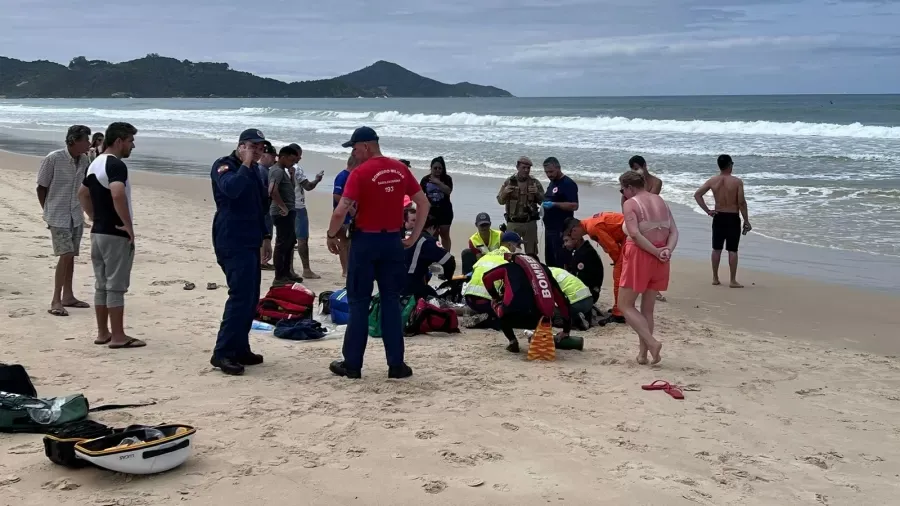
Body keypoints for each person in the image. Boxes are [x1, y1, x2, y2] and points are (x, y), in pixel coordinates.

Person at [326, 126, 430, 380]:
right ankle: (396, 364)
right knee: (391, 301)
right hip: (392, 241)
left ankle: (352, 363)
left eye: (354, 147)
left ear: (367, 146)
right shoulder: (400, 169)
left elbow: (341, 210)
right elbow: (423, 202)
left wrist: (331, 235)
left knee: (359, 302)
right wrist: (414, 237)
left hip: (365, 241)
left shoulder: (360, 173)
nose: (353, 152)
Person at [208, 128, 270, 375]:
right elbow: (231, 190)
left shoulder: (255, 170)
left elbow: (261, 205)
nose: (257, 151)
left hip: (251, 237)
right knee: (239, 296)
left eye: (261, 148)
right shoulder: (225, 165)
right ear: (241, 146)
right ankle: (222, 352)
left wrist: (266, 237)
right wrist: (245, 164)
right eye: (253, 147)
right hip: (231, 238)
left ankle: (240, 347)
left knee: (251, 297)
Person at [77, 122, 144, 349]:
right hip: (115, 233)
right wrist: (128, 226)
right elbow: (117, 194)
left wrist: (94, 216)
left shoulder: (95, 163)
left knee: (101, 284)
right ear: (119, 141)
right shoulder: (116, 165)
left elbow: (82, 193)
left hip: (98, 232)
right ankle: (118, 336)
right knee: (115, 286)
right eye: (130, 141)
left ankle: (102, 332)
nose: (132, 146)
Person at [619, 171, 679, 365]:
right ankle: (643, 354)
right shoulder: (661, 200)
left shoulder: (631, 203)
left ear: (629, 188)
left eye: (623, 190)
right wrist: (667, 250)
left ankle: (652, 343)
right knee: (648, 310)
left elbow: (635, 234)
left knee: (625, 305)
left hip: (641, 256)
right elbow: (674, 231)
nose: (623, 194)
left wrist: (654, 251)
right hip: (662, 257)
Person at [37, 125, 93, 317]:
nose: (89, 143)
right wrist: (47, 211)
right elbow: (41, 187)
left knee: (71, 256)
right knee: (66, 254)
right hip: (57, 214)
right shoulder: (53, 158)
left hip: (76, 215)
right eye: (86, 139)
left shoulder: (85, 159)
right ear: (73, 141)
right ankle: (56, 300)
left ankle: (68, 296)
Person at [481, 253, 572, 353]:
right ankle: (541, 335)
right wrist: (566, 330)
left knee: (498, 305)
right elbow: (561, 300)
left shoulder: (509, 267)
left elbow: (486, 278)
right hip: (539, 320)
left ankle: (512, 341)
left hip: (511, 317)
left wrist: (495, 297)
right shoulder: (544, 272)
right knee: (548, 310)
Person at [693, 154, 752, 288]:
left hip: (718, 216)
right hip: (732, 218)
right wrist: (746, 220)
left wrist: (708, 211)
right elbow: (741, 202)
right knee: (732, 250)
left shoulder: (713, 180)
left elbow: (697, 195)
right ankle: (732, 280)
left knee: (716, 249)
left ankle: (715, 277)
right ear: (730, 165)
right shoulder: (737, 182)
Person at [564, 213, 626, 323]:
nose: (572, 238)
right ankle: (621, 307)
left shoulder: (593, 228)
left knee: (618, 276)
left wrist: (617, 263)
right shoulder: (589, 223)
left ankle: (619, 313)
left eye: (571, 234)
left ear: (575, 229)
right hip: (626, 231)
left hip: (628, 234)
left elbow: (612, 248)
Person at [287, 143, 324, 279]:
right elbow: (307, 186)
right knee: (302, 239)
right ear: (294, 154)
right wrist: (317, 180)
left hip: (285, 207)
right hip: (298, 207)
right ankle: (306, 269)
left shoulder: (279, 168)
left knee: (288, 240)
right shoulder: (297, 169)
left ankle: (289, 269)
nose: (300, 158)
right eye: (299, 155)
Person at [463, 232, 520, 315]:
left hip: (469, 299)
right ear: (510, 245)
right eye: (518, 245)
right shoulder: (510, 259)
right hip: (486, 301)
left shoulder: (488, 255)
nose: (519, 248)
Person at [496, 156, 544, 256]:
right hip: (513, 222)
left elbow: (543, 202)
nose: (526, 170)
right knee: (510, 252)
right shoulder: (509, 181)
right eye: (524, 167)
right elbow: (500, 201)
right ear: (517, 167)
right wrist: (505, 192)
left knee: (532, 253)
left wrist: (537, 193)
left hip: (529, 223)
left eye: (528, 168)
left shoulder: (534, 182)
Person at [268, 145, 301, 285]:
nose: (293, 163)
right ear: (283, 157)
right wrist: (283, 207)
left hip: (288, 211)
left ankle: (286, 273)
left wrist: (292, 175)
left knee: (289, 242)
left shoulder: (283, 171)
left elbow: (288, 189)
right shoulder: (277, 171)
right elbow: (272, 190)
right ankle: (279, 276)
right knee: (282, 244)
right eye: (292, 160)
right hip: (281, 212)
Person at [403, 215, 456, 299]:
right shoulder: (427, 240)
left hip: (391, 284)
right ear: (432, 227)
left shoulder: (404, 235)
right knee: (437, 299)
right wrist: (448, 278)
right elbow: (449, 260)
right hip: (411, 287)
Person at [541, 157, 579, 268]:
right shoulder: (552, 183)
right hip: (549, 229)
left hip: (561, 230)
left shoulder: (568, 184)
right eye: (546, 172)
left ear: (558, 168)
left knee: (561, 261)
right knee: (550, 261)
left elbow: (575, 206)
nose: (549, 175)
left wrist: (554, 204)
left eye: (551, 172)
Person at [332, 154, 359, 278]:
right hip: (344, 215)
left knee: (351, 243)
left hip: (353, 216)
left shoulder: (354, 176)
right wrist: (351, 208)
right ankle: (345, 270)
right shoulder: (342, 176)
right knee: (343, 243)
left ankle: (351, 267)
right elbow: (337, 195)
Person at [420, 156, 454, 252]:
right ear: (431, 168)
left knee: (445, 235)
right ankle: (436, 254)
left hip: (445, 211)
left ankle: (446, 255)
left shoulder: (447, 179)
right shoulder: (425, 180)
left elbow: (448, 191)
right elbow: (420, 195)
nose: (437, 170)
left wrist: (438, 182)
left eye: (440, 168)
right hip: (431, 212)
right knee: (433, 235)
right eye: (435, 168)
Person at [257, 141, 276, 270]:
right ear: (264, 155)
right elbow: (268, 192)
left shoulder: (263, 170)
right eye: (272, 156)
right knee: (265, 233)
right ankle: (262, 261)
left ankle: (261, 260)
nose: (274, 159)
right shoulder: (262, 171)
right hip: (264, 209)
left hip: (264, 208)